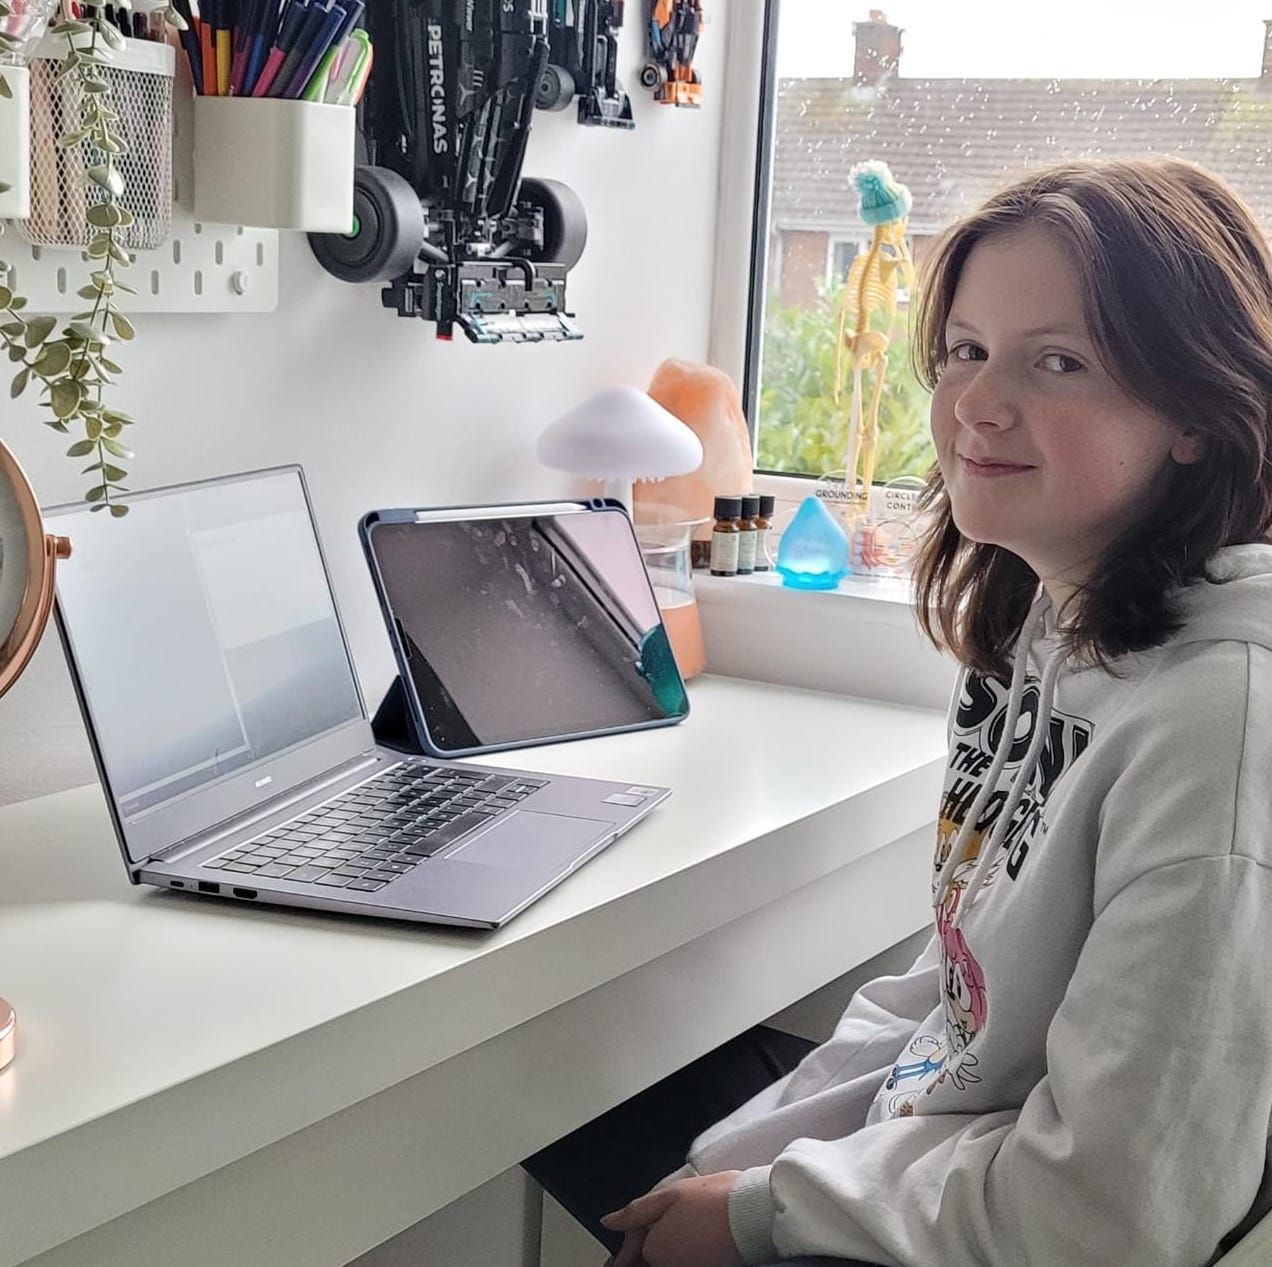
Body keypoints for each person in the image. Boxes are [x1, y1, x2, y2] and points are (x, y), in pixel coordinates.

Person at [525, 156, 1272, 1267]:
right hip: (936, 1158)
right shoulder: (1044, 622)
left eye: (1057, 361)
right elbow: (959, 994)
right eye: (965, 352)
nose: (976, 404)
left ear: (1197, 415)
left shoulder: (1218, 727)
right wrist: (740, 1169)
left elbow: (1112, 1217)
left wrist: (761, 1209)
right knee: (591, 1119)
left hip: (1023, 1229)